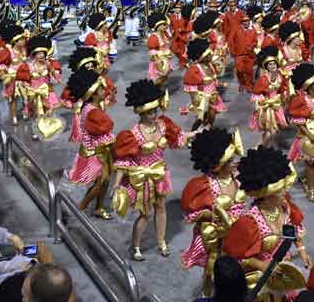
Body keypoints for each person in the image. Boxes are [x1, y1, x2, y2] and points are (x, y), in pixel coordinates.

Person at [112, 79, 189, 260]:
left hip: (160, 173)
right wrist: (116, 184)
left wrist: (191, 134)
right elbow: (124, 160)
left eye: (155, 111)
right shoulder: (132, 134)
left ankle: (161, 241)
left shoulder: (164, 125)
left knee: (161, 208)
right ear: (140, 113)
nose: (154, 115)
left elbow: (177, 139)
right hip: (143, 178)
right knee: (145, 214)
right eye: (149, 113)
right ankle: (135, 246)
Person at [223, 146, 308, 301]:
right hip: (262, 278)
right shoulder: (249, 223)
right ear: (266, 195)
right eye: (280, 190)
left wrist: (301, 248)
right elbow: (238, 257)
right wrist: (263, 266)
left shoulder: (284, 206)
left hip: (284, 271)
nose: (285, 192)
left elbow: (292, 229)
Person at [180, 128, 246, 296]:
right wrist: (214, 215)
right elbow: (192, 214)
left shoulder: (239, 177)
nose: (234, 162)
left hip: (237, 231)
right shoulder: (204, 185)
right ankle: (207, 293)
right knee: (212, 265)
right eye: (230, 160)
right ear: (218, 164)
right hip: (214, 235)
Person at [65, 68, 115, 220]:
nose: (103, 90)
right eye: (100, 89)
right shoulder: (91, 112)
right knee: (101, 182)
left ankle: (99, 208)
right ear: (93, 94)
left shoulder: (95, 106)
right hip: (94, 151)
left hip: (102, 149)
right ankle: (81, 207)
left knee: (105, 181)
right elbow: (105, 127)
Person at [287, 63, 314, 202]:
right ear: (309, 87)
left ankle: (305, 178)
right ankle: (310, 190)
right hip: (308, 136)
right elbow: (299, 122)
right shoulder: (302, 100)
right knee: (311, 164)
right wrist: (310, 136)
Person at [15, 35, 63, 141]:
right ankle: (35, 131)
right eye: (39, 54)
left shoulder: (48, 64)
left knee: (47, 111)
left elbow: (55, 76)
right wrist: (26, 88)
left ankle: (45, 128)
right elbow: (22, 80)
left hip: (47, 91)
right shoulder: (28, 66)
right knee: (35, 114)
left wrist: (56, 74)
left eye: (43, 53)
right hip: (33, 93)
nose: (41, 55)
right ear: (34, 55)